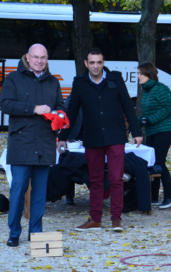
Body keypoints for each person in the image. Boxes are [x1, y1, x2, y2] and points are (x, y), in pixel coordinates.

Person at [57, 48, 142, 232]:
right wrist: (62, 137)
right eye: (92, 62)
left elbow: (128, 107)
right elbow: (71, 112)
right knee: (95, 180)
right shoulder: (79, 83)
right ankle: (95, 219)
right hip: (92, 137)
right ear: (86, 64)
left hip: (115, 137)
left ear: (103, 63)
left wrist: (136, 132)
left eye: (99, 62)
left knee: (116, 179)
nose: (96, 66)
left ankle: (116, 219)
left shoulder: (116, 79)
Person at [0, 44, 66, 247]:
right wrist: (33, 108)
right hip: (21, 144)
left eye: (43, 57)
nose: (39, 61)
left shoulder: (53, 82)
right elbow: (5, 105)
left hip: (45, 143)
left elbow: (60, 105)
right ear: (27, 57)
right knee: (18, 191)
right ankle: (14, 233)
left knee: (40, 193)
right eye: (36, 57)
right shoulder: (13, 79)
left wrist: (61, 115)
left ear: (47, 59)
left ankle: (36, 233)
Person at [136, 62, 171, 209]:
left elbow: (168, 108)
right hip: (151, 132)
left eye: (141, 73)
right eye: (138, 73)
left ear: (149, 74)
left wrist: (150, 120)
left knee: (159, 162)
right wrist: (134, 125)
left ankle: (169, 197)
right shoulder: (146, 90)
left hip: (164, 132)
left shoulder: (161, 89)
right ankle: (153, 198)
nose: (138, 76)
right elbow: (146, 114)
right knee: (151, 163)